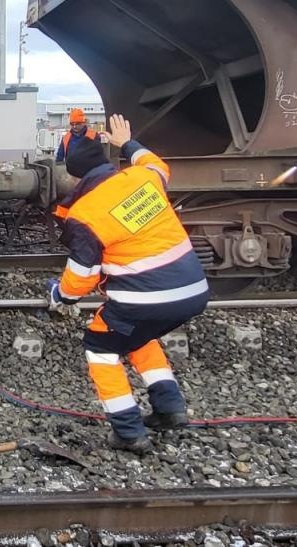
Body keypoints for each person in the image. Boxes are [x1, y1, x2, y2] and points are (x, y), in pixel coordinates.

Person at [47, 114, 209, 453]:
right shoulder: (143, 177)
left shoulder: (86, 212)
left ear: (74, 177)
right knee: (138, 336)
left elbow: (82, 277)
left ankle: (128, 431)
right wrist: (127, 143)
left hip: (145, 297)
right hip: (194, 290)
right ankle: (170, 410)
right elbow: (157, 164)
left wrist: (60, 296)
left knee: (101, 347)